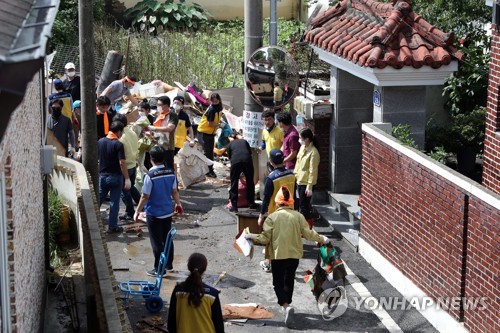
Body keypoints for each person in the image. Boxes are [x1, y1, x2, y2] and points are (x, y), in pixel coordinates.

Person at [245, 186, 329, 328]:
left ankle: (285, 306)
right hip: (294, 256)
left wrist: (251, 236)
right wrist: (322, 238)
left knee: (278, 283)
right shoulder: (298, 216)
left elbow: (265, 239)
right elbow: (309, 234)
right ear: (290, 202)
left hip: (278, 256)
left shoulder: (272, 218)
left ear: (277, 203)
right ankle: (288, 303)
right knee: (289, 280)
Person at [134, 146, 183, 276]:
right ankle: (169, 265)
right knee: (167, 239)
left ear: (151, 159)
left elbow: (145, 196)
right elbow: (174, 191)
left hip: (154, 213)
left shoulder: (149, 176)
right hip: (167, 211)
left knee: (156, 242)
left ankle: (159, 269)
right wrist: (179, 204)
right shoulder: (170, 173)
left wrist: (137, 211)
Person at [258, 148, 295, 272]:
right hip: (290, 210)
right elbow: (295, 194)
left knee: (271, 238)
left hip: (275, 213)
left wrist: (261, 215)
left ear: (271, 161)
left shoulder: (271, 178)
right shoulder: (291, 174)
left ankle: (268, 263)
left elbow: (266, 199)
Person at [167, 253, 224, 333]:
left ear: (188, 267)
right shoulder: (212, 294)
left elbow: (171, 321)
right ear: (205, 269)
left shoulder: (178, 291)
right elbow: (218, 324)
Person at [98, 121, 131, 233]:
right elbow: (122, 163)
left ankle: (90, 221)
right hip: (116, 177)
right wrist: (127, 178)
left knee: (98, 200)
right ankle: (112, 226)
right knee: (114, 202)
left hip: (102, 176)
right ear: (118, 131)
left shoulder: (100, 141)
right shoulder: (118, 144)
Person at [113, 114, 140, 220]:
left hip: (125, 168)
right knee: (131, 187)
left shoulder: (120, 137)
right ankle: (141, 203)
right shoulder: (132, 132)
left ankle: (130, 212)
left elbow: (121, 159)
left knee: (124, 192)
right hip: (133, 164)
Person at [294, 128, 320, 229]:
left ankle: (307, 228)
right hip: (299, 181)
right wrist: (295, 176)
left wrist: (309, 187)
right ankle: (304, 227)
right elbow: (298, 163)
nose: (299, 140)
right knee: (300, 205)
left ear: (307, 139)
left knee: (304, 207)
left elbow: (313, 171)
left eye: (301, 138)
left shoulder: (314, 153)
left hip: (306, 183)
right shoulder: (302, 148)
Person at [226, 133, 257, 213]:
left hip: (236, 162)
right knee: (250, 181)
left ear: (230, 138)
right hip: (247, 160)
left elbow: (230, 158)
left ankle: (234, 206)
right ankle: (251, 203)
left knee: (234, 183)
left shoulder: (229, 145)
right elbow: (249, 153)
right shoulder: (244, 141)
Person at [147, 96, 179, 169]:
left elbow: (170, 128)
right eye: (157, 104)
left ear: (166, 106)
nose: (158, 106)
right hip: (157, 145)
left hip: (168, 147)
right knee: (158, 168)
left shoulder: (172, 115)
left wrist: (154, 128)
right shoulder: (158, 115)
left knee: (168, 168)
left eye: (160, 105)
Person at [197, 93, 223, 178]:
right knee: (207, 152)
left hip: (210, 133)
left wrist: (219, 123)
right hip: (203, 133)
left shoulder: (219, 108)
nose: (215, 102)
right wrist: (218, 125)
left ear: (219, 100)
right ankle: (208, 171)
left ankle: (209, 170)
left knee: (210, 152)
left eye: (216, 101)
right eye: (213, 101)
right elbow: (210, 124)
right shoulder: (212, 109)